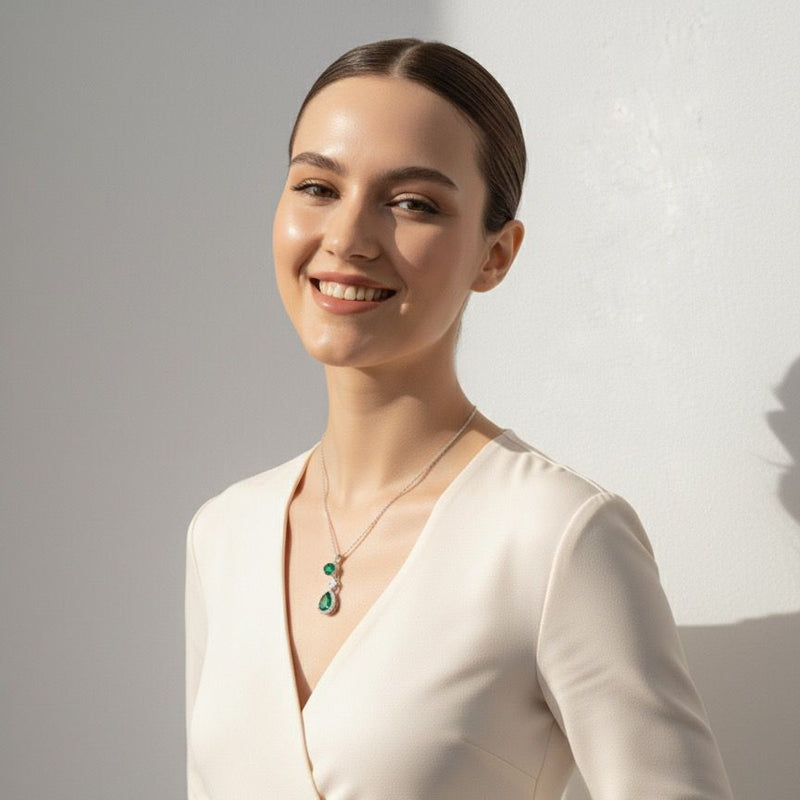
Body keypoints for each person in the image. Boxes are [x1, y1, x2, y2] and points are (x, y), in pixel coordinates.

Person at [184, 38, 734, 799]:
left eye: (412, 203)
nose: (345, 238)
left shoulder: (556, 538)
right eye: (317, 187)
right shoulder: (223, 532)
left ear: (495, 255)